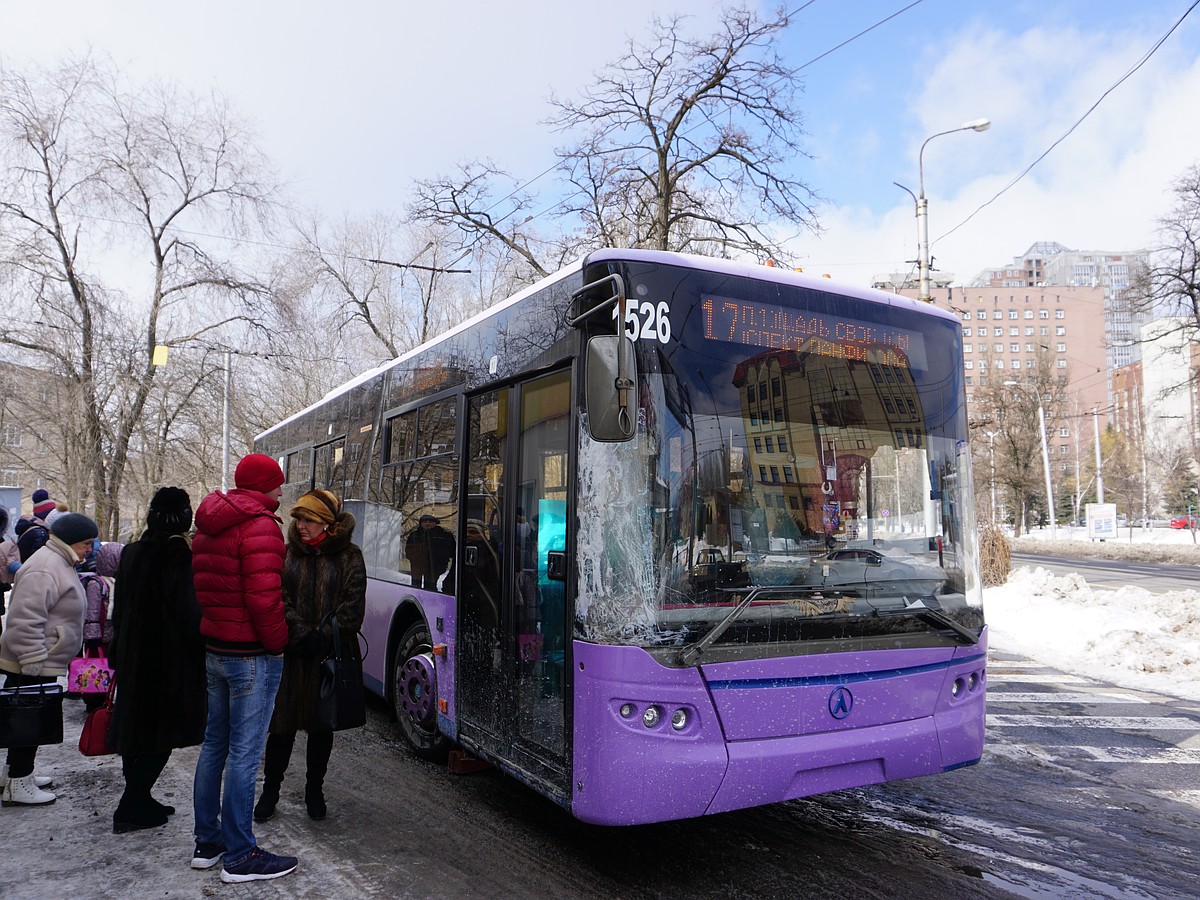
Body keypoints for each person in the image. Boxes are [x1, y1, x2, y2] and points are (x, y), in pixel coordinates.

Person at [190, 453, 298, 883]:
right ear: (264, 487)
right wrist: (278, 646)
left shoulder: (208, 525)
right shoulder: (261, 528)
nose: (281, 492)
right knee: (244, 753)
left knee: (214, 745)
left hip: (215, 649)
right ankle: (240, 855)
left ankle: (208, 842)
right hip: (250, 655)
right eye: (277, 484)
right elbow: (264, 600)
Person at [254, 489, 365, 823]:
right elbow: (278, 597)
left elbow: (353, 606)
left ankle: (314, 791)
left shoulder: (350, 555)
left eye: (310, 520)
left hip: (329, 656)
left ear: (327, 524)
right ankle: (270, 791)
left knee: (321, 728)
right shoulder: (287, 554)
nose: (301, 525)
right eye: (299, 518)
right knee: (281, 729)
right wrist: (301, 633)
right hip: (291, 654)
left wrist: (323, 638)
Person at [107, 488, 206, 833]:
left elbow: (119, 608)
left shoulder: (132, 552)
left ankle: (140, 797)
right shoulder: (180, 558)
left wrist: (117, 649)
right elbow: (190, 616)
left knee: (137, 731)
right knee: (161, 735)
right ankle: (131, 804)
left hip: (133, 656)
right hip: (168, 661)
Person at [0, 512, 100, 806]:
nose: (89, 550)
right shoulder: (46, 567)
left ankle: (15, 774)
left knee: (29, 720)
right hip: (31, 658)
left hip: (40, 655)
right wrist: (32, 657)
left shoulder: (57, 560)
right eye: (86, 544)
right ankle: (19, 781)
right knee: (27, 721)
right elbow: (24, 618)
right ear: (70, 541)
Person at [404, 513, 455, 591]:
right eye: (424, 522)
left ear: (435, 523)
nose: (427, 523)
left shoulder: (444, 534)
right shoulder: (414, 535)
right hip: (417, 565)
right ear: (420, 523)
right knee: (415, 586)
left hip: (435, 565)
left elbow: (452, 550)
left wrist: (442, 559)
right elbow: (408, 549)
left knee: (430, 587)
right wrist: (414, 558)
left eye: (430, 522)